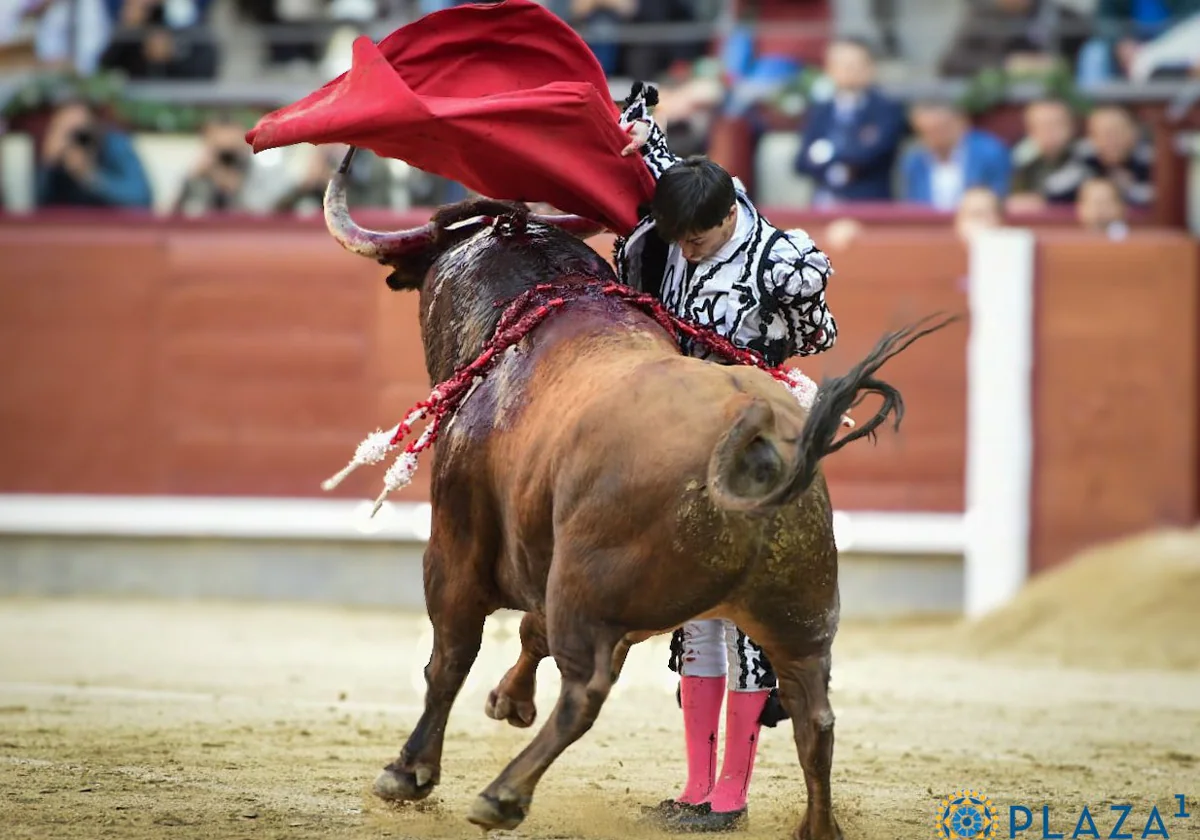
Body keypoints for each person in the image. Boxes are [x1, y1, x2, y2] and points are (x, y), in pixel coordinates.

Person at [613, 81, 838, 834]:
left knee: (744, 619)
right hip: (683, 444)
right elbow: (658, 163)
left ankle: (732, 796)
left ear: (729, 217)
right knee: (697, 614)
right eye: (677, 240)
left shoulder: (785, 260)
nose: (686, 252)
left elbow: (818, 338)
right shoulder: (679, 224)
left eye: (699, 241)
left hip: (753, 446)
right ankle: (695, 785)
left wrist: (751, 358)